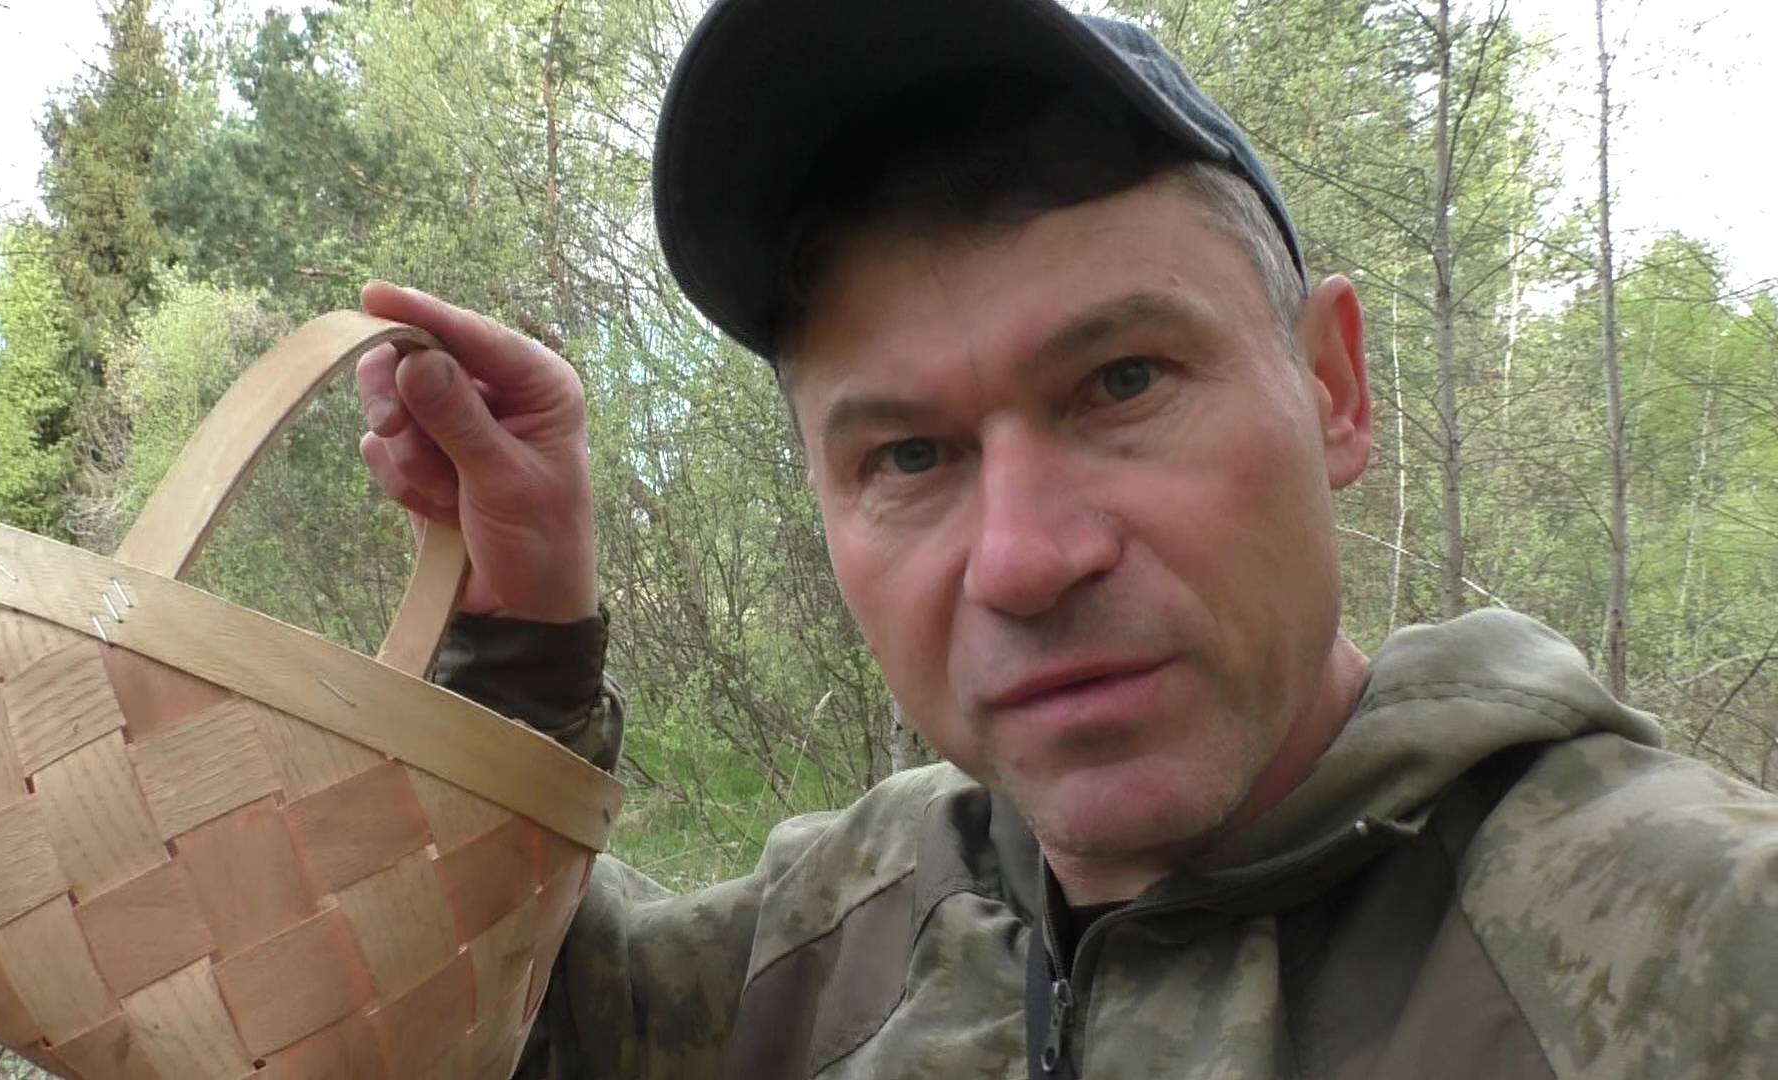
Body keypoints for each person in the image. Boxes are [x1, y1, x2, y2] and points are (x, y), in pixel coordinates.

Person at [353, 0, 1778, 1076]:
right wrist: (522, 643)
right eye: (910, 456)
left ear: (1334, 388)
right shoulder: (847, 922)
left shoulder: (1694, 948)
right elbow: (504, 1025)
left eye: (1124, 383)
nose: (1026, 561)